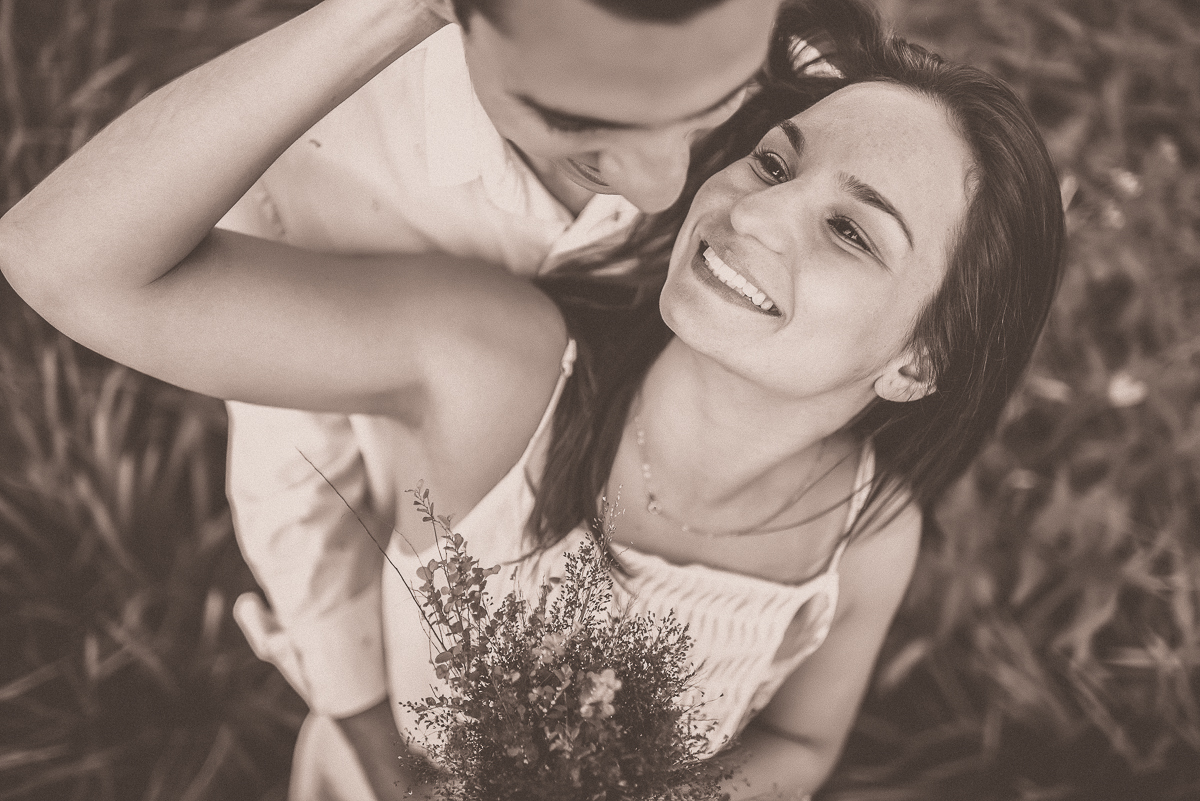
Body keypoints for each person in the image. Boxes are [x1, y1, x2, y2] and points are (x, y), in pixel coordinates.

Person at [0, 0, 1065, 797]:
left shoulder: (864, 537)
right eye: (775, 162)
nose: (751, 212)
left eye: (851, 232)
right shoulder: (495, 369)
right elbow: (65, 263)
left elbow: (801, 743)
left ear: (917, 363)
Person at [213, 2, 783, 793]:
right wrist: (371, 728)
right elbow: (295, 464)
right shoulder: (307, 156)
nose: (665, 189)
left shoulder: (809, 95)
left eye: (720, 103)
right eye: (576, 121)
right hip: (419, 654)